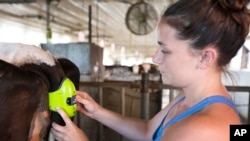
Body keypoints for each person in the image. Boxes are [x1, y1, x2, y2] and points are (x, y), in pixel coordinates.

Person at [51, 0, 250, 140]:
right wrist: (98, 112)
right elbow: (148, 131)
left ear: (205, 57)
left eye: (165, 50)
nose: (155, 58)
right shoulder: (187, 98)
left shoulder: (202, 129)